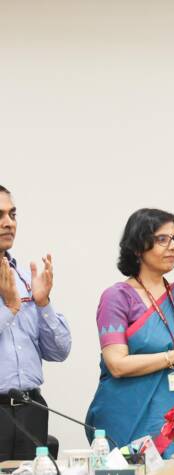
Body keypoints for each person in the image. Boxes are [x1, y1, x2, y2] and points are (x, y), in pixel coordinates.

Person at [85, 209, 174, 458]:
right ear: (137, 247)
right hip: (128, 420)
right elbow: (117, 364)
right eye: (162, 239)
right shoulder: (117, 298)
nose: (173, 246)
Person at [0, 185, 71, 462]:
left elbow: (59, 351)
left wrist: (43, 303)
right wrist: (10, 309)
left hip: (31, 408)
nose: (8, 222)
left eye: (12, 214)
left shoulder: (25, 278)